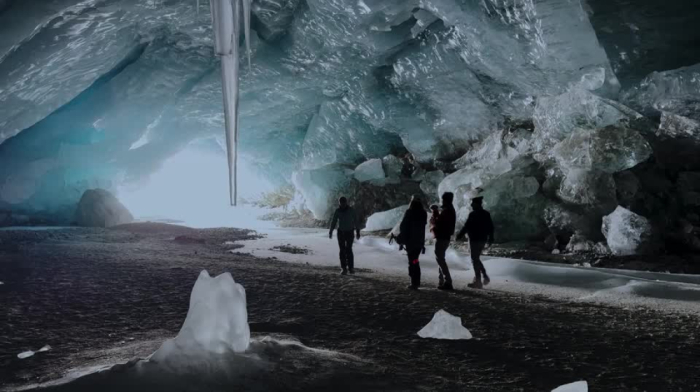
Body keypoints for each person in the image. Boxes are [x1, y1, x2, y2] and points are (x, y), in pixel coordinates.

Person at [456, 196, 494, 289]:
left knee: (474, 259)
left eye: (473, 203)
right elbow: (491, 227)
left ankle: (478, 280)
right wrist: (491, 238)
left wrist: (459, 235)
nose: (472, 205)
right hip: (482, 239)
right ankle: (483, 276)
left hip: (474, 239)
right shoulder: (486, 214)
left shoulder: (473, 214)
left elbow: (467, 226)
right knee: (476, 258)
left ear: (477, 204)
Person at [398, 195, 428, 290]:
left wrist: (401, 239)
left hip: (410, 242)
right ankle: (416, 281)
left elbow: (403, 226)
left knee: (412, 261)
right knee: (415, 260)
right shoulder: (423, 213)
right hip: (419, 242)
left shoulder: (409, 212)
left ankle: (414, 282)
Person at [329, 197, 361, 275]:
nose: (342, 204)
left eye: (344, 202)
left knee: (349, 249)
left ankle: (351, 268)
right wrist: (331, 231)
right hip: (341, 233)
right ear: (339, 203)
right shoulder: (337, 211)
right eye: (341, 203)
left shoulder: (351, 210)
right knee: (342, 250)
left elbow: (356, 220)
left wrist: (357, 231)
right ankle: (343, 268)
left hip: (350, 232)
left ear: (346, 202)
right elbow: (334, 221)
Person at [432, 192, 457, 290]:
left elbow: (438, 223)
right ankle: (441, 280)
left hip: (442, 237)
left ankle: (448, 281)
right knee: (440, 258)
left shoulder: (447, 211)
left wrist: (435, 212)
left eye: (443, 199)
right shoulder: (450, 210)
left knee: (440, 258)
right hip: (445, 237)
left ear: (445, 200)